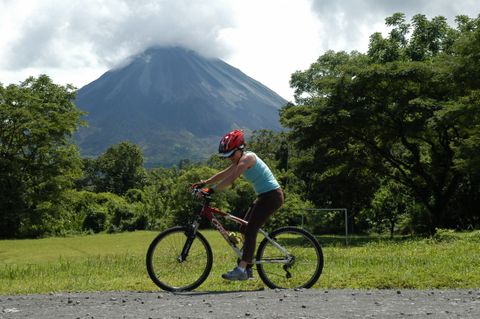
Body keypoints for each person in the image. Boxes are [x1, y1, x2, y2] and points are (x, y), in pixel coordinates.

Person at [193, 129, 284, 281]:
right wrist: (204, 183)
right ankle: (248, 268)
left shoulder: (248, 159)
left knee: (250, 230)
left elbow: (231, 179)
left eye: (230, 155)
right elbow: (224, 173)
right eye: (226, 156)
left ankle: (241, 269)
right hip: (264, 196)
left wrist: (211, 190)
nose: (229, 158)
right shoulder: (238, 160)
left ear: (240, 149)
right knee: (243, 227)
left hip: (272, 197)